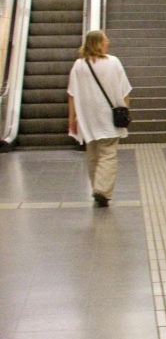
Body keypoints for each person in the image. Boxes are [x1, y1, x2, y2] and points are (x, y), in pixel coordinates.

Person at [67, 31, 132, 207]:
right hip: (108, 116)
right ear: (98, 43)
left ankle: (97, 187)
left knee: (93, 154)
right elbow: (125, 90)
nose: (107, 43)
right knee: (108, 154)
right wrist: (125, 110)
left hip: (88, 118)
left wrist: (72, 118)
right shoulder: (113, 62)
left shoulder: (79, 65)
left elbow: (72, 94)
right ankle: (101, 189)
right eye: (105, 40)